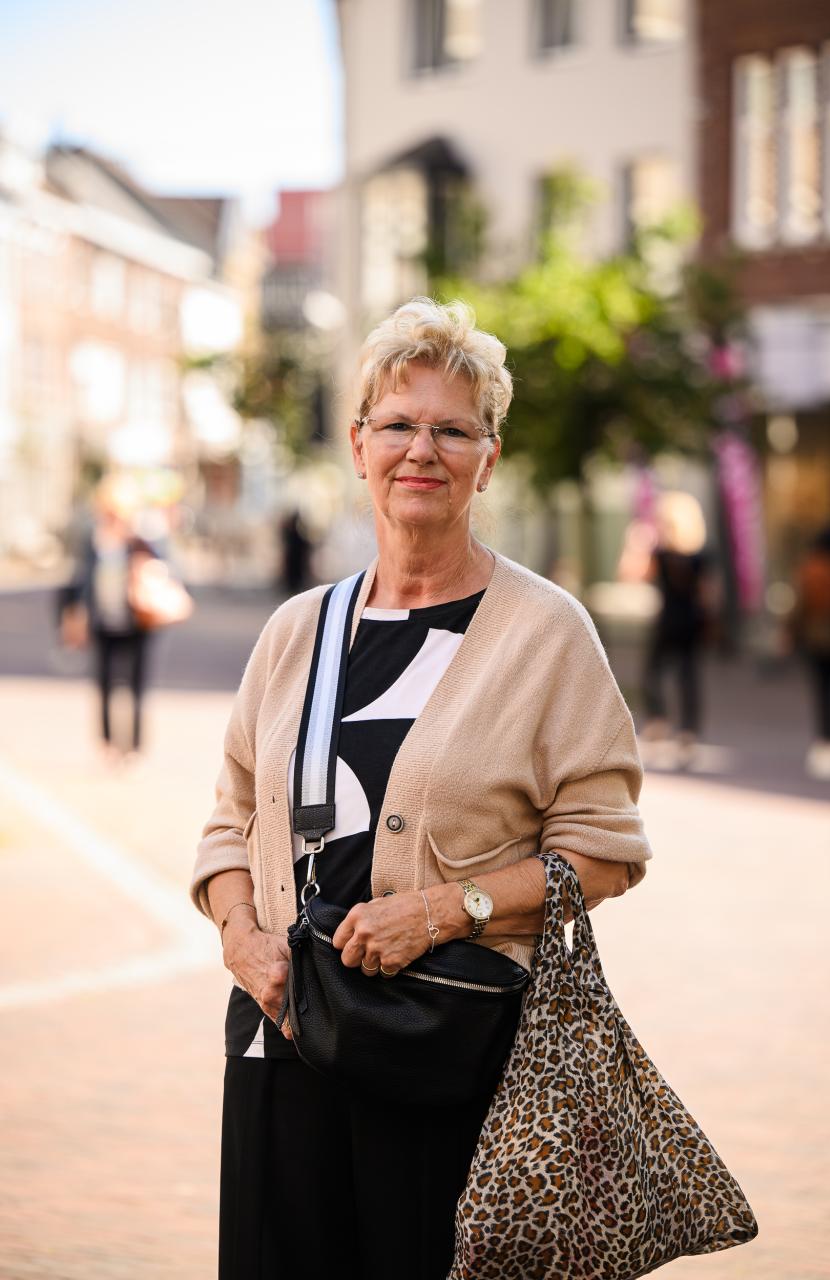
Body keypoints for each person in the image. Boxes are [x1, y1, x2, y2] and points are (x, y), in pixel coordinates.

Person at [190, 297, 654, 1280]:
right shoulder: (297, 629)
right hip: (284, 1045)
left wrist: (446, 907)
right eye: (398, 424)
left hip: (448, 1051)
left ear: (487, 459)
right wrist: (239, 933)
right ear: (357, 444)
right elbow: (228, 819)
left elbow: (605, 848)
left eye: (453, 429)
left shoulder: (542, 631)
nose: (421, 450)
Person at [58, 475, 159, 763]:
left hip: (137, 620)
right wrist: (72, 612)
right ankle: (107, 743)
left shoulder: (142, 536)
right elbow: (80, 578)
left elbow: (166, 566)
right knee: (103, 684)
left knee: (137, 685)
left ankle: (135, 747)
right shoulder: (94, 536)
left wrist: (140, 543)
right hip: (103, 620)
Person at [620, 491, 719, 768]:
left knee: (657, 673)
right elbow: (709, 594)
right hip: (690, 622)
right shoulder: (698, 556)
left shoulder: (664, 554)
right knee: (686, 677)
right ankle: (685, 732)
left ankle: (662, 723)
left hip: (670, 621)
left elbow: (632, 574)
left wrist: (636, 544)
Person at [786, 519, 830, 781]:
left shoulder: (811, 569)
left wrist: (791, 632)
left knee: (823, 691)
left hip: (817, 638)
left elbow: (799, 605)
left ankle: (826, 741)